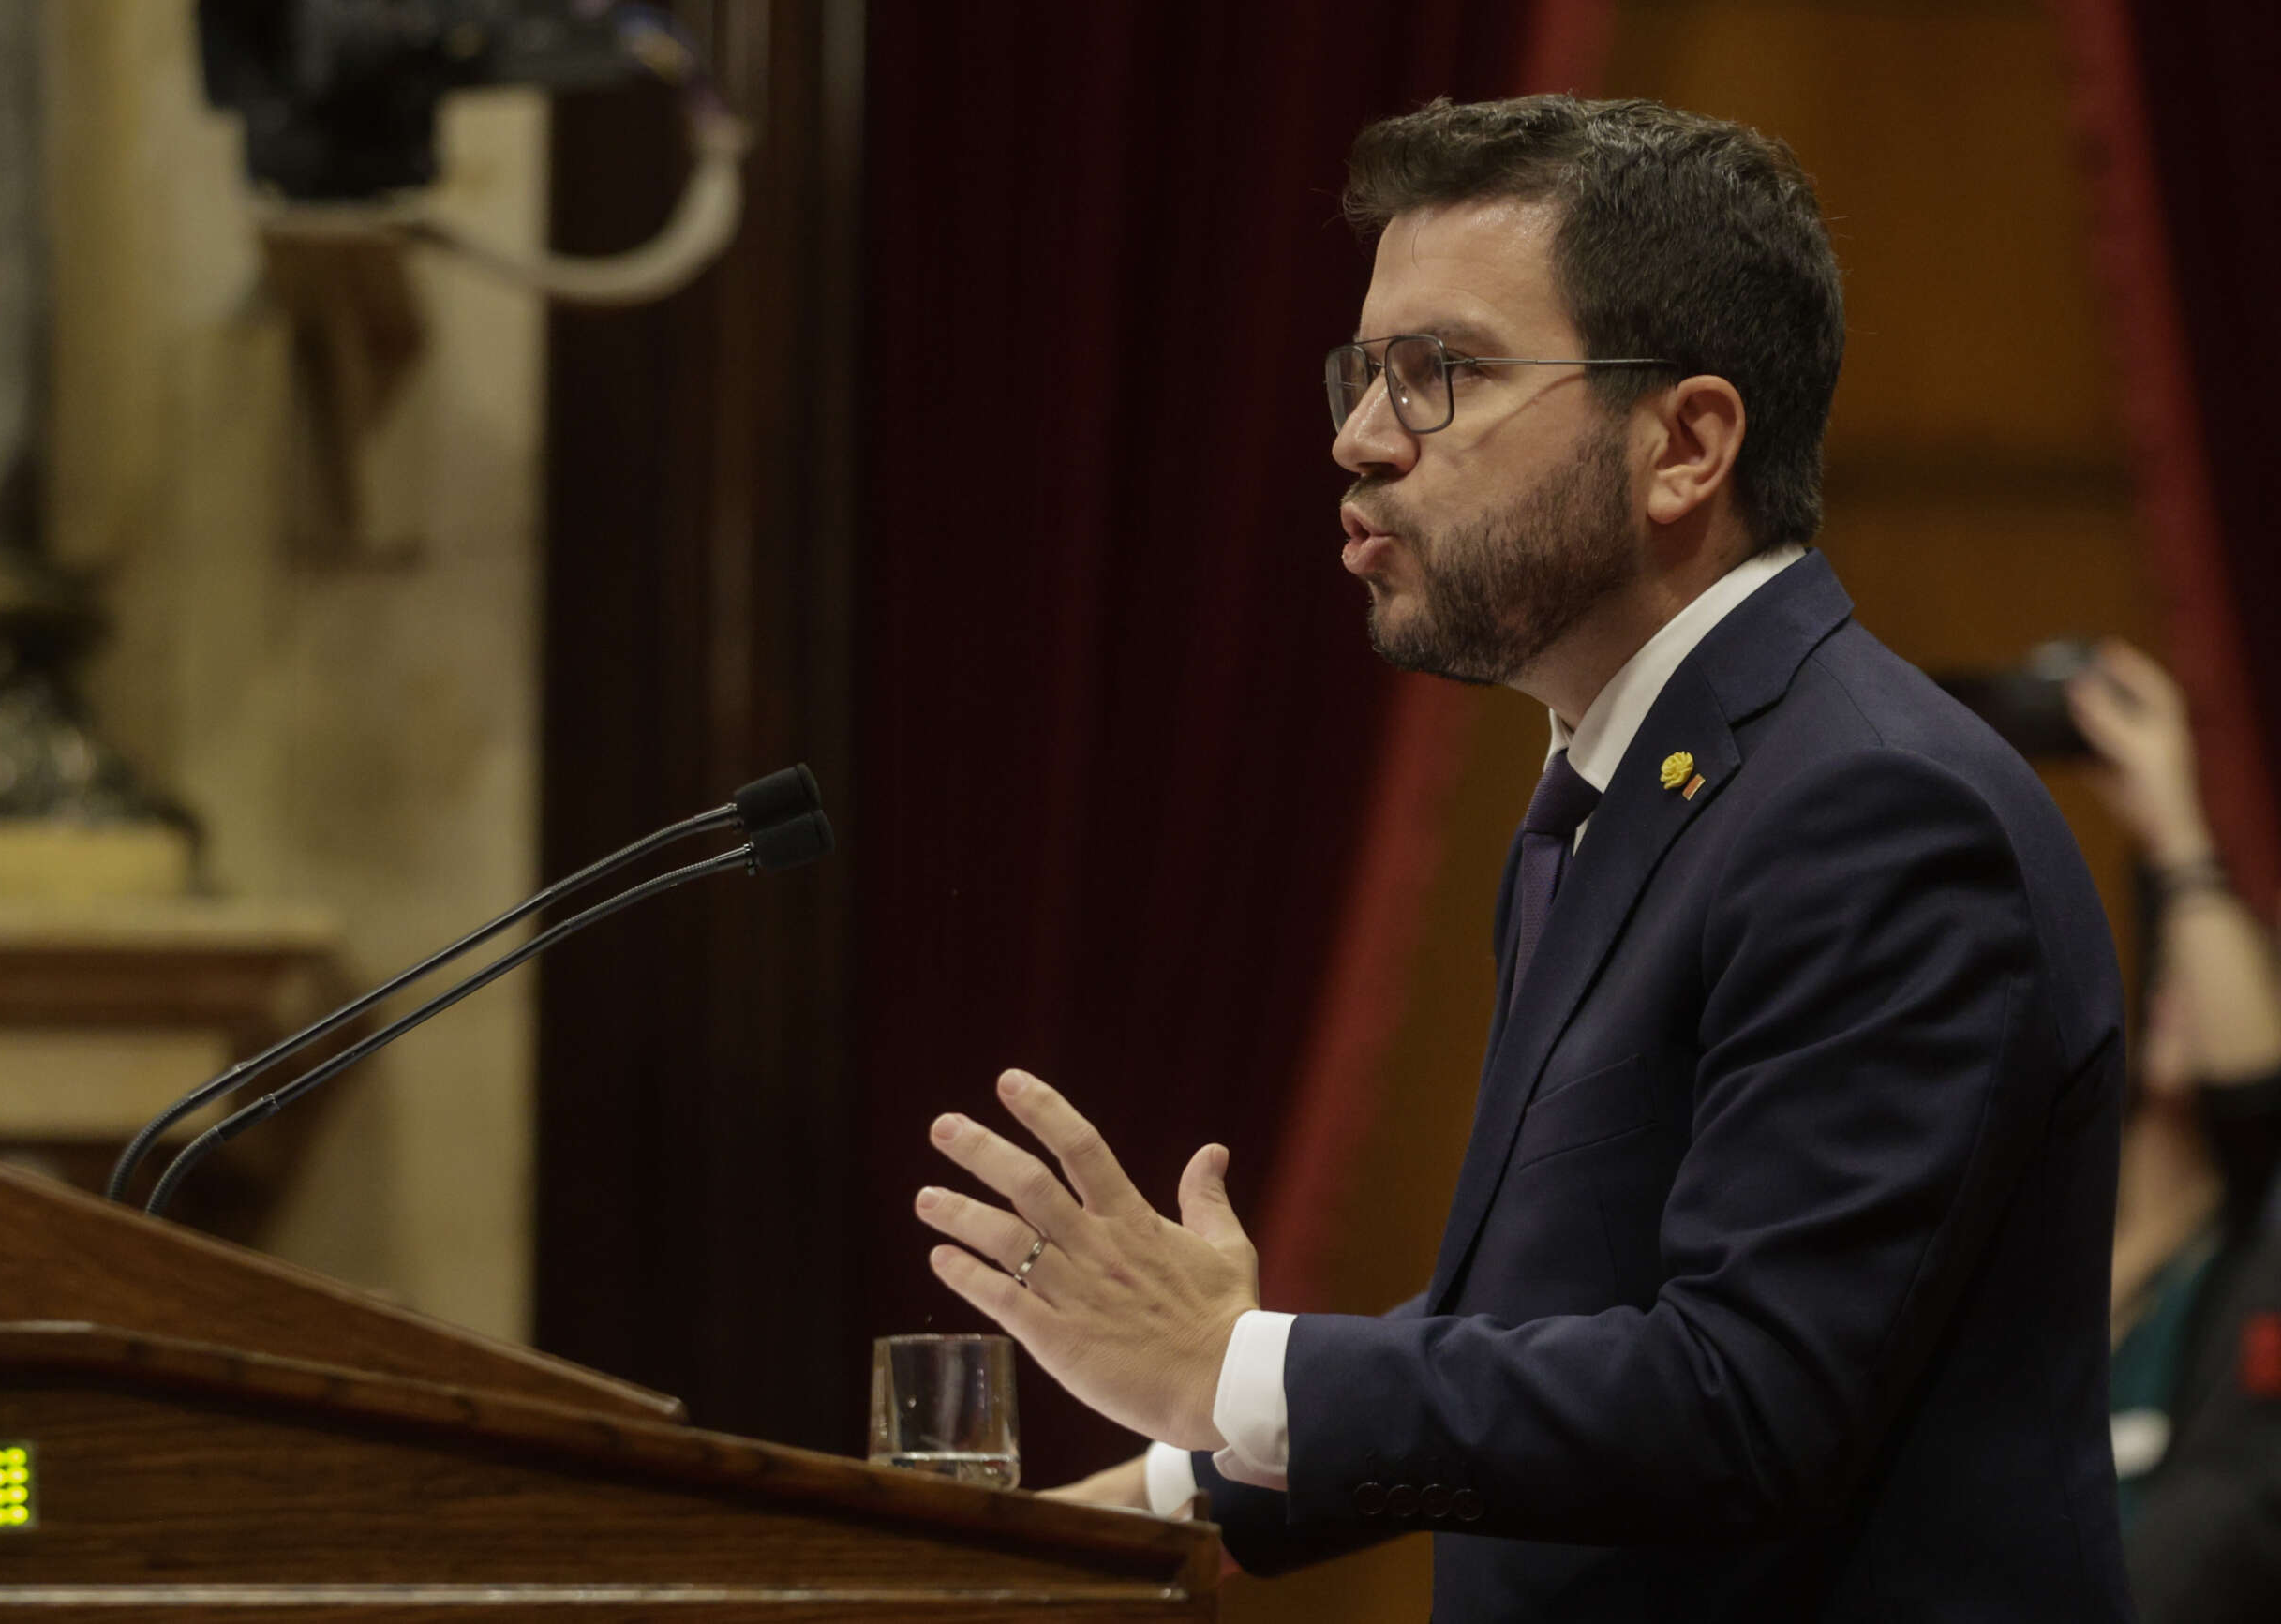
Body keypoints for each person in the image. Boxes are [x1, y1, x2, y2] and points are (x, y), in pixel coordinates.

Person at [910, 96, 2131, 1620]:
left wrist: (1230, 1366)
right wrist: (1155, 1492)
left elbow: (1735, 1394)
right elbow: (1564, 1314)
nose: (1359, 440)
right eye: (1364, 374)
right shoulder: (1623, 792)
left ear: (1683, 443)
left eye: (1440, 375)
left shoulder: (1876, 812)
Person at [2069, 640, 2281, 1619]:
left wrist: (2174, 819)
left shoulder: (2245, 1256)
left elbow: (2251, 1085)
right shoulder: (2049, 1217)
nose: (2189, 981)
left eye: (2241, 957)